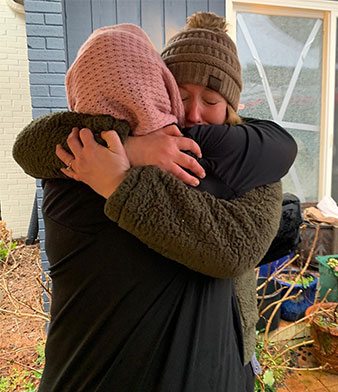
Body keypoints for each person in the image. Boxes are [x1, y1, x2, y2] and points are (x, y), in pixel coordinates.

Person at [13, 19, 296, 392]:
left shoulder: (250, 163)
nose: (194, 114)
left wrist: (121, 179)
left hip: (225, 350)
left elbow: (236, 247)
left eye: (211, 101)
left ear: (232, 105)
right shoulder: (91, 153)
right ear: (159, 90)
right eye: (181, 94)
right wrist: (129, 147)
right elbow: (28, 146)